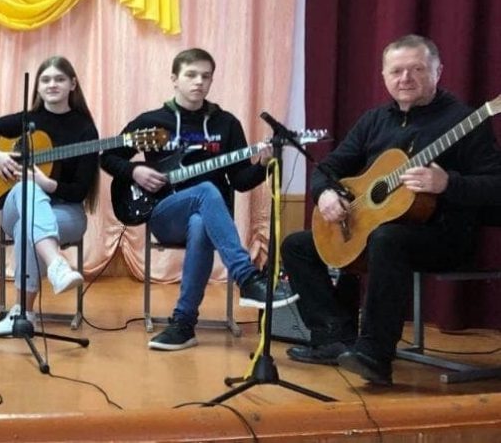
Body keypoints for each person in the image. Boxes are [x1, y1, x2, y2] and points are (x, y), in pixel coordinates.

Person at [282, 35, 501, 385]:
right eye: (396, 71)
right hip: (377, 229)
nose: (406, 78)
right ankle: (334, 337)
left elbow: (495, 186)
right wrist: (324, 194)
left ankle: (375, 355)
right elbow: (328, 168)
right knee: (296, 246)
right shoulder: (374, 120)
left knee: (387, 238)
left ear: (438, 72)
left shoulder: (466, 120)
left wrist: (448, 183)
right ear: (384, 76)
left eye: (417, 69)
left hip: (444, 236)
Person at [101, 48, 295, 351]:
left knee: (201, 222)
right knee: (205, 191)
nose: (199, 82)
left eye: (206, 76)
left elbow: (240, 181)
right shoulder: (151, 121)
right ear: (174, 79)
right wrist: (135, 170)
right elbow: (108, 157)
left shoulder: (226, 124)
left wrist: (261, 165)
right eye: (191, 75)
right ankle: (247, 278)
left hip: (210, 221)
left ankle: (183, 323)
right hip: (164, 214)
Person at [0, 56, 95, 333]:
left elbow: (80, 190)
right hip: (16, 206)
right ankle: (56, 264)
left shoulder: (85, 129)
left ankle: (23, 314)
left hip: (66, 210)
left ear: (73, 84)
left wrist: (46, 184)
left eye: (59, 79)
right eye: (46, 80)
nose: (52, 84)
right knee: (25, 188)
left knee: (27, 227)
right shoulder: (26, 120)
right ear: (38, 87)